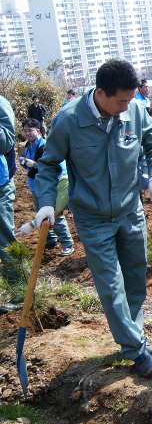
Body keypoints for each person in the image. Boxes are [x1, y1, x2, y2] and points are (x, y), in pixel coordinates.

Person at [34, 59, 152, 377]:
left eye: (131, 99)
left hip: (130, 210)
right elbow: (49, 164)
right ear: (102, 93)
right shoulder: (69, 120)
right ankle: (136, 350)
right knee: (110, 285)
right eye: (122, 100)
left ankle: (133, 338)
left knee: (136, 279)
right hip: (93, 217)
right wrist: (45, 203)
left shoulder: (134, 111)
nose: (128, 107)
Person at [18, 118, 74, 255]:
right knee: (41, 214)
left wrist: (34, 164)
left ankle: (67, 244)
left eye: (30, 130)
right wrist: (25, 163)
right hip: (35, 185)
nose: (28, 133)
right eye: (25, 131)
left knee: (55, 214)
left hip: (51, 184)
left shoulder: (45, 146)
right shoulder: (28, 146)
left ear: (38, 130)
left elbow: (53, 168)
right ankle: (51, 239)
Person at [0, 95, 18, 284]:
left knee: (5, 239)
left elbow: (5, 143)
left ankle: (20, 289)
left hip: (1, 186)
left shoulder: (1, 104)